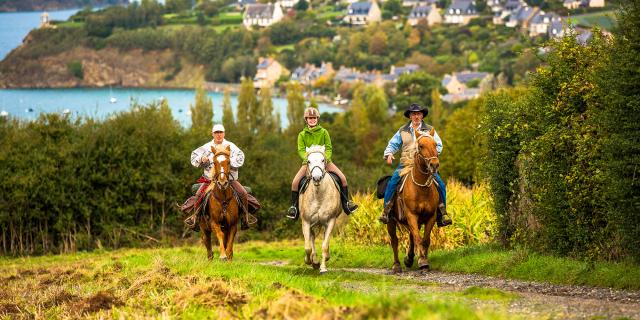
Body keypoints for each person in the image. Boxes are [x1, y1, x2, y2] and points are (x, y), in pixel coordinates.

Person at [378, 103, 452, 227]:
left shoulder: (430, 130)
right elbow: (393, 144)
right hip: (406, 163)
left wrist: (432, 156)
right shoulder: (403, 130)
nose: (416, 116)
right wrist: (389, 154)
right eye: (414, 114)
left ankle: (442, 214)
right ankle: (386, 211)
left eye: (418, 114)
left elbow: (438, 145)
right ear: (410, 116)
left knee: (441, 184)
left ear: (422, 115)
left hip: (426, 166)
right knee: (392, 182)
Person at [286, 107, 358, 220]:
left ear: (317, 119)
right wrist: (308, 158)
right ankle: (294, 208)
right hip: (308, 163)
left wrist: (325, 158)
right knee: (295, 183)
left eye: (314, 118)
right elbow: (300, 150)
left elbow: (328, 148)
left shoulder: (324, 132)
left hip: (325, 162)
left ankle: (346, 204)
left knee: (343, 178)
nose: (312, 120)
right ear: (306, 119)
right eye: (310, 118)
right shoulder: (302, 135)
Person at [180, 124, 251, 230]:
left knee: (243, 193)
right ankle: (195, 218)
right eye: (216, 132)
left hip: (229, 179)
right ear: (212, 134)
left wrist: (229, 161)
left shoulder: (231, 146)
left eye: (220, 132)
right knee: (199, 194)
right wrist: (201, 158)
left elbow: (241, 157)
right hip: (210, 180)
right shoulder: (206, 147)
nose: (219, 135)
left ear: (224, 133)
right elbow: (194, 156)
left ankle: (245, 218)